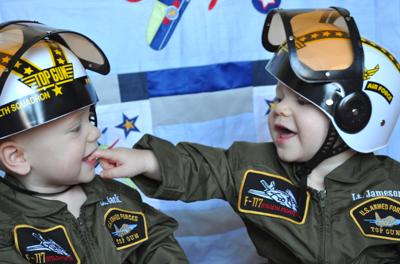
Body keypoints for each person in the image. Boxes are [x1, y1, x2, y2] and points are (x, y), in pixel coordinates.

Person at [93, 7, 400, 263]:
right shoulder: (253, 167)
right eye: (279, 97)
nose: (280, 109)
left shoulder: (391, 186)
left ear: (355, 114)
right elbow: (204, 167)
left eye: (303, 101)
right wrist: (147, 160)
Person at [0, 21, 188, 263]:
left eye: (89, 116)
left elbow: (157, 241)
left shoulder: (118, 198)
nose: (95, 133)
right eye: (76, 128)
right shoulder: (6, 230)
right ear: (18, 157)